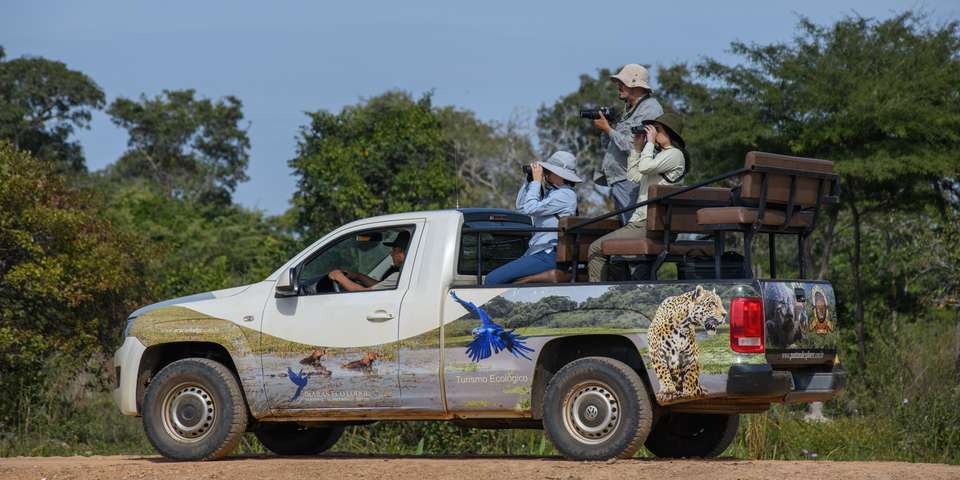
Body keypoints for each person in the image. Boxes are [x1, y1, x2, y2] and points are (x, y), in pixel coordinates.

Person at [587, 112, 688, 282]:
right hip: (642, 222)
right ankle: (620, 293)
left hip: (650, 224)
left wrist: (649, 143)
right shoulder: (660, 156)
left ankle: (598, 296)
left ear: (669, 133)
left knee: (595, 249)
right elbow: (634, 175)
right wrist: (636, 149)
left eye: (657, 129)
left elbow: (645, 166)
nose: (653, 133)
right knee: (613, 255)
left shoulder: (675, 154)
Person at [484, 151, 580, 285]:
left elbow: (530, 208)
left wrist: (536, 182)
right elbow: (522, 208)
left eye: (549, 170)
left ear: (558, 174)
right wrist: (529, 181)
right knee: (497, 279)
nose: (546, 173)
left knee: (491, 280)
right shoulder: (554, 193)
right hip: (538, 253)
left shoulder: (566, 195)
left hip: (548, 254)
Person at [593, 64, 664, 226]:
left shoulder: (650, 109)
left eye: (622, 83)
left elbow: (634, 146)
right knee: (626, 228)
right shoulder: (631, 108)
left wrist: (608, 129)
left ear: (636, 85)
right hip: (621, 180)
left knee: (632, 229)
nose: (618, 86)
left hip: (630, 181)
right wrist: (607, 129)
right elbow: (614, 143)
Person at [329, 231, 409, 291]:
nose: (391, 254)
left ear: (403, 253)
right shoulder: (405, 275)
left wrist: (339, 277)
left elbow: (365, 293)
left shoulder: (400, 276)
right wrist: (358, 276)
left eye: (394, 250)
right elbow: (379, 286)